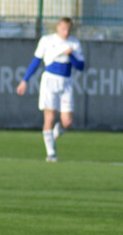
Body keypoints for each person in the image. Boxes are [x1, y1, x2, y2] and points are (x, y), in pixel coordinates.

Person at [16, 17, 84, 162]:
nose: (65, 32)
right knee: (50, 116)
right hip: (49, 81)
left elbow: (81, 66)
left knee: (67, 121)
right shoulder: (47, 40)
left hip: (66, 82)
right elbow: (36, 61)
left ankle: (53, 134)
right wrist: (25, 81)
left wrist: (70, 55)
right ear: (58, 28)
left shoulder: (74, 44)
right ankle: (51, 153)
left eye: (68, 30)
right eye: (63, 29)